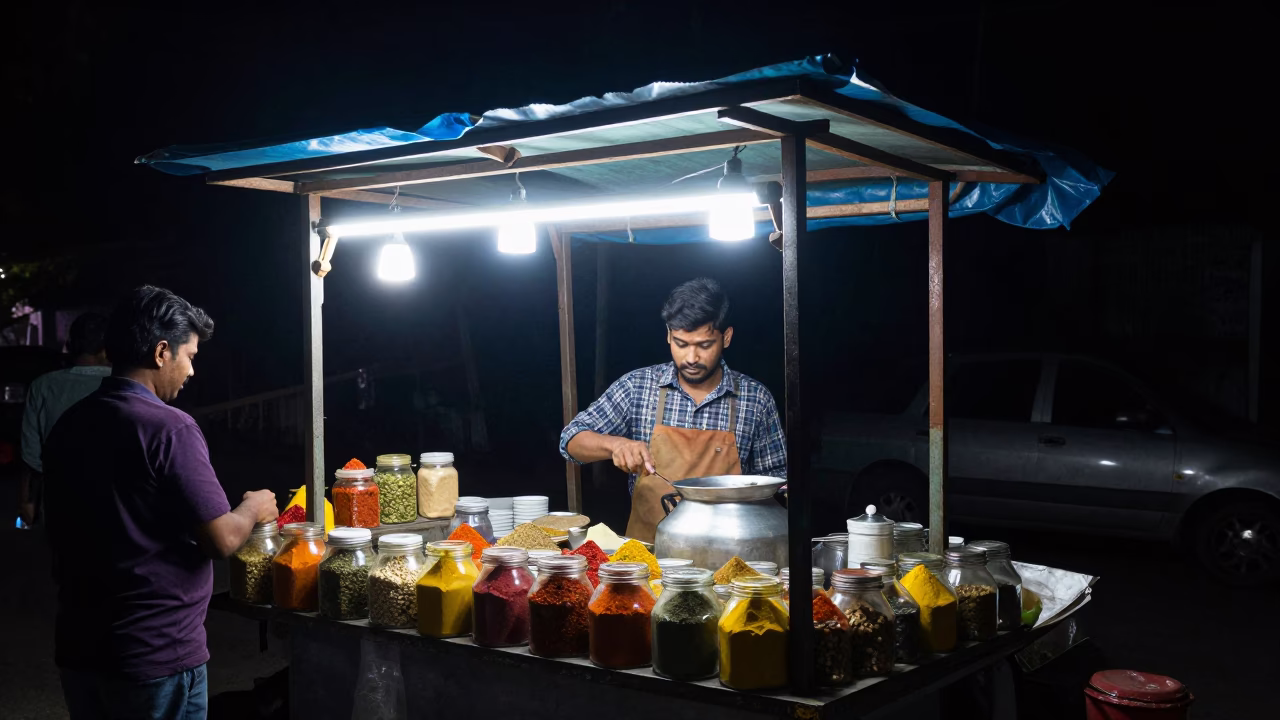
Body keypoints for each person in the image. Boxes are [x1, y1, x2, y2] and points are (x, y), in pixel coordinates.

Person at [43, 286, 279, 720]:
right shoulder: (169, 428)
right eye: (189, 356)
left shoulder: (70, 424)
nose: (191, 370)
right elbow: (222, 539)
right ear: (161, 352)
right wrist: (255, 507)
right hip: (154, 653)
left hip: (79, 648)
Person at [560, 277, 786, 542]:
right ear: (668, 335)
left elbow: (778, 483)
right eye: (681, 344)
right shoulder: (638, 387)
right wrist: (615, 445)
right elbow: (571, 440)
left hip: (730, 553)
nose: (691, 358)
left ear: (726, 337)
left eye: (704, 345)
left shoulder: (755, 399)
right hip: (649, 555)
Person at [18, 312, 112, 528]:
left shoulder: (42, 386)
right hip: (116, 506)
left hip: (59, 505)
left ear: (70, 345)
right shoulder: (127, 383)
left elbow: (31, 456)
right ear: (108, 348)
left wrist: (26, 502)